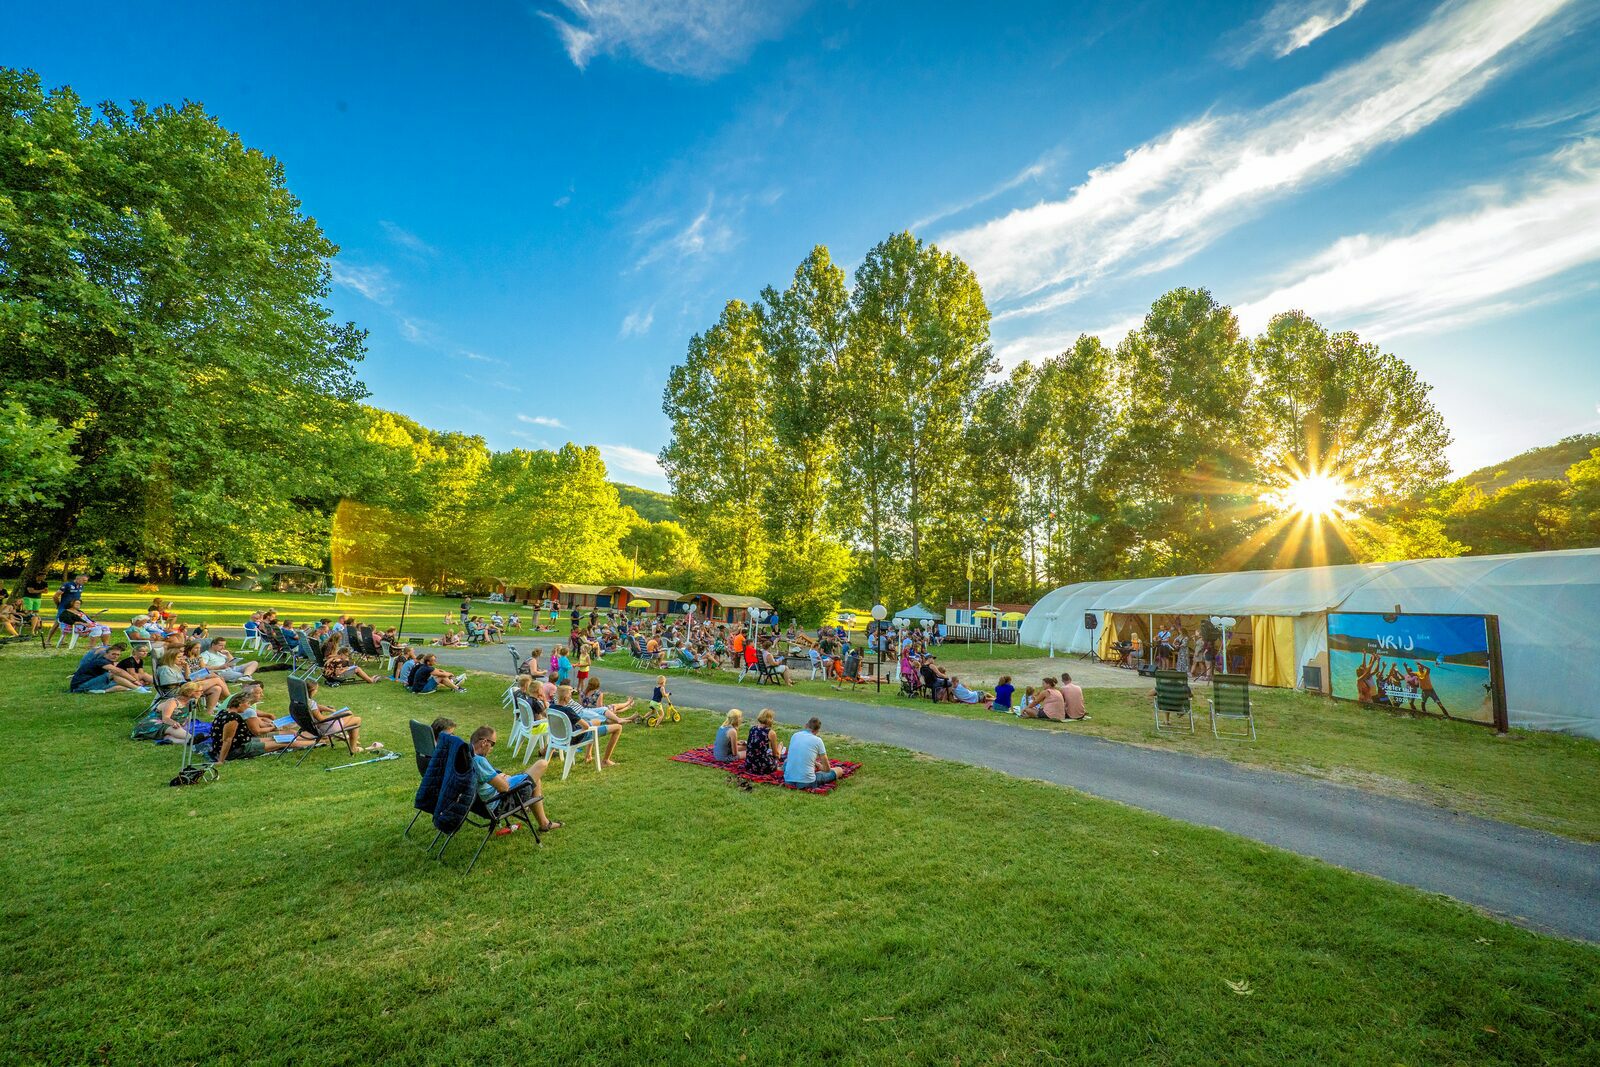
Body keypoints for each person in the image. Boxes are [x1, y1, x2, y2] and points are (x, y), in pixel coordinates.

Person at [468, 725, 562, 831]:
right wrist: (503, 779)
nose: (492, 749)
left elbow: (485, 779)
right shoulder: (479, 761)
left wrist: (499, 777)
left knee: (536, 779)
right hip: (499, 804)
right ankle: (543, 822)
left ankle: (544, 823)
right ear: (484, 742)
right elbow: (504, 788)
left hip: (483, 806)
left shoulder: (466, 756)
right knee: (542, 763)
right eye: (492, 744)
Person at [301, 680, 379, 754]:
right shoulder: (311, 703)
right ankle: (353, 748)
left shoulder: (303, 700)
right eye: (316, 689)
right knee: (357, 720)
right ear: (312, 690)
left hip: (313, 726)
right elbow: (321, 719)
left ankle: (347, 737)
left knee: (349, 713)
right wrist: (334, 715)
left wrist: (329, 709)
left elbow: (316, 707)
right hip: (324, 727)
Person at [548, 692, 625, 767]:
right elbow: (586, 727)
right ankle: (605, 761)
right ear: (566, 698)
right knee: (618, 727)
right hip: (575, 737)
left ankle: (588, 755)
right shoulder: (568, 710)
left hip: (559, 737)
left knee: (596, 721)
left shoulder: (551, 707)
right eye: (570, 696)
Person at [132, 682, 199, 743]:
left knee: (169, 737)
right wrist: (174, 723)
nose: (201, 692)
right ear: (189, 692)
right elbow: (165, 718)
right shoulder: (173, 702)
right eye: (198, 691)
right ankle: (192, 738)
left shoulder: (191, 701)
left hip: (167, 724)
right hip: (154, 723)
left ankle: (189, 741)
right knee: (173, 728)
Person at [70, 643, 148, 694]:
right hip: (79, 686)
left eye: (118, 655)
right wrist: (135, 681)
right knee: (113, 674)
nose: (116, 656)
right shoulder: (101, 661)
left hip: (91, 683)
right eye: (113, 654)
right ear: (106, 653)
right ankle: (139, 689)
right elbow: (118, 671)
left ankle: (100, 691)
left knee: (123, 686)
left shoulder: (108, 661)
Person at [783, 717, 837, 789]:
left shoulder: (795, 735)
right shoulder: (818, 740)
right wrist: (821, 767)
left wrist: (815, 764)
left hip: (788, 781)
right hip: (807, 783)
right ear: (817, 730)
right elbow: (827, 769)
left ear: (806, 725)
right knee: (838, 770)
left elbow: (799, 755)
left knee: (788, 761)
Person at [744, 709, 784, 775]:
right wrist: (780, 747)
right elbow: (775, 755)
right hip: (761, 766)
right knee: (776, 758)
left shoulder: (753, 728)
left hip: (749, 764)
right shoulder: (771, 733)